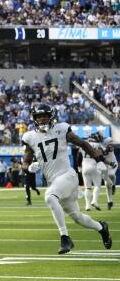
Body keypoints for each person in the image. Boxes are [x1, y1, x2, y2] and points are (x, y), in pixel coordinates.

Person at [22, 103, 112, 254]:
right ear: (34, 119)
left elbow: (83, 143)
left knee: (50, 197)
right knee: (77, 217)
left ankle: (65, 238)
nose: (42, 120)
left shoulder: (62, 129)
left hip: (67, 176)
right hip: (55, 182)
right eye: (39, 117)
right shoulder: (30, 137)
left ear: (51, 117)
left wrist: (99, 161)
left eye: (45, 116)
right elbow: (25, 161)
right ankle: (102, 227)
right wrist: (28, 167)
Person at [77, 133, 104, 211]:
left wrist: (79, 166)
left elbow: (78, 157)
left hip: (84, 166)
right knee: (97, 185)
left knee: (87, 187)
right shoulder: (98, 145)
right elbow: (100, 156)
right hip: (94, 165)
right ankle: (94, 201)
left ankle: (87, 205)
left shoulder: (83, 144)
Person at [102, 137, 117, 210]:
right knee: (107, 185)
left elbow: (110, 149)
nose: (111, 144)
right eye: (110, 143)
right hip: (105, 166)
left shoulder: (108, 147)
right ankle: (110, 202)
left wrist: (107, 148)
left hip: (113, 163)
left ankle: (114, 185)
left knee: (112, 175)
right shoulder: (99, 147)